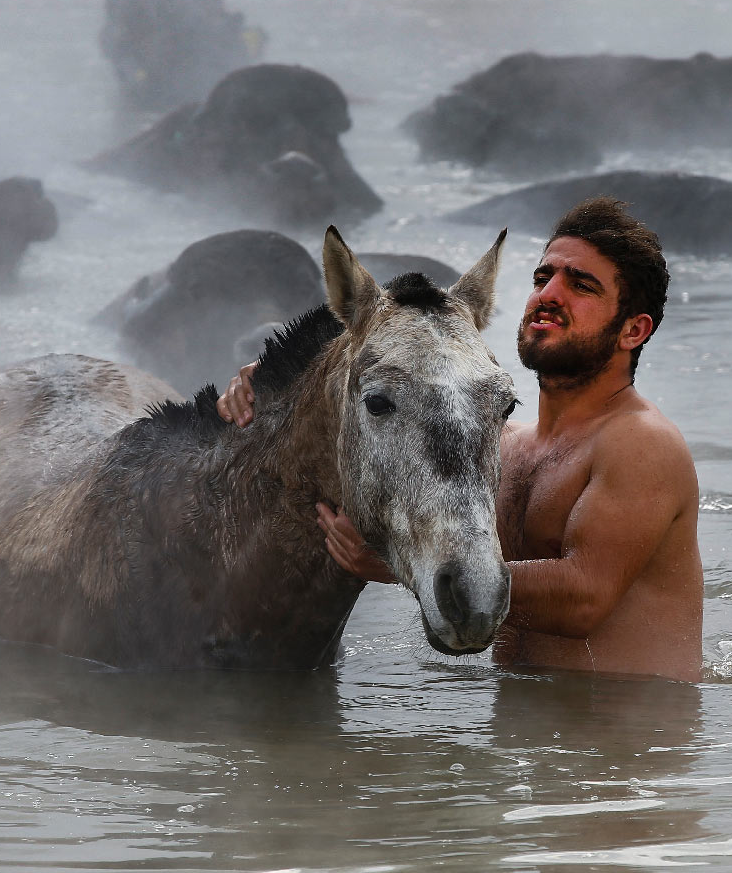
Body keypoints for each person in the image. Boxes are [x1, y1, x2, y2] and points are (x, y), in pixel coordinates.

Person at [218, 198, 703, 681]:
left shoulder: (642, 442)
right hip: (524, 740)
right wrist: (276, 390)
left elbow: (584, 600)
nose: (549, 294)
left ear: (633, 331)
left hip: (632, 740)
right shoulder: (505, 444)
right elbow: (380, 425)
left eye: (581, 286)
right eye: (542, 278)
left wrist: (402, 568)